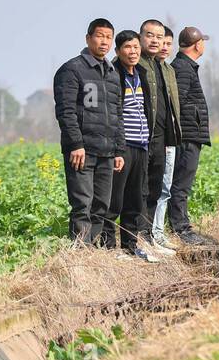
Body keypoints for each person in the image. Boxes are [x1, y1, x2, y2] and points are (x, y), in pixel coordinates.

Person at [53, 19, 125, 246]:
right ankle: (80, 255)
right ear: (88, 38)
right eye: (99, 36)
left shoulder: (112, 74)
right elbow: (66, 111)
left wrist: (119, 149)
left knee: (101, 206)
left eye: (108, 37)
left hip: (107, 152)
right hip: (83, 151)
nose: (104, 41)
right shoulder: (72, 70)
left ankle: (93, 252)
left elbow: (117, 114)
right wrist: (76, 144)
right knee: (82, 204)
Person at [106, 31, 159, 262]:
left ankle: (130, 246)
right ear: (118, 51)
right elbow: (114, 115)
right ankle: (108, 246)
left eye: (136, 47)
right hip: (124, 145)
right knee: (115, 200)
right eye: (128, 47)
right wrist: (117, 149)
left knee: (135, 200)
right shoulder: (113, 75)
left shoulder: (141, 74)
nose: (133, 51)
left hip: (141, 144)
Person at [169, 26, 215, 245]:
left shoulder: (184, 66)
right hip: (186, 136)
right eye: (203, 41)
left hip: (189, 134)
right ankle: (181, 229)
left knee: (181, 183)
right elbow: (176, 104)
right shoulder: (183, 69)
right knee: (180, 184)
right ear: (198, 45)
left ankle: (181, 225)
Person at [146, 25, 183, 250]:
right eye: (160, 40)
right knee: (151, 188)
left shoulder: (168, 70)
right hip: (150, 139)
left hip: (169, 137)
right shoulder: (145, 67)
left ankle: (157, 233)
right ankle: (148, 234)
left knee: (165, 187)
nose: (163, 46)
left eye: (167, 42)